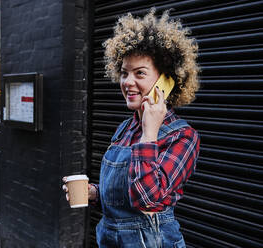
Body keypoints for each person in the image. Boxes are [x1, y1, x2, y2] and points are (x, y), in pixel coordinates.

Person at [62, 8, 200, 248]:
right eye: (124, 73)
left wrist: (150, 134)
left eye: (140, 73)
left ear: (166, 81)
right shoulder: (125, 128)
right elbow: (124, 197)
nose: (128, 82)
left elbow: (148, 200)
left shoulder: (182, 136)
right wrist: (95, 193)